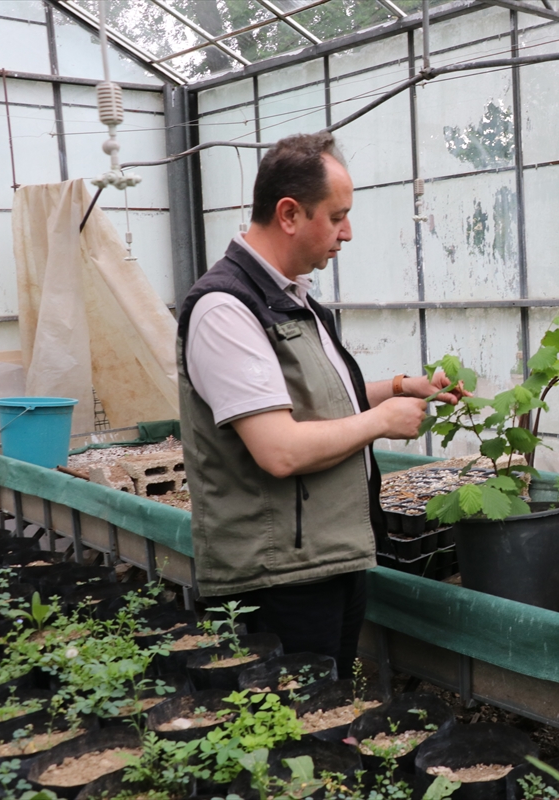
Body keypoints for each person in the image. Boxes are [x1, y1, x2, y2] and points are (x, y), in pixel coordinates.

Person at [176, 132, 458, 679]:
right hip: (277, 574)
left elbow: (320, 404)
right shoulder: (225, 310)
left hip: (325, 557)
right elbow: (278, 449)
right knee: (289, 740)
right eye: (336, 217)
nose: (346, 233)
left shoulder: (292, 299)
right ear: (288, 214)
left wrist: (403, 387)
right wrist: (379, 422)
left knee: (324, 721)